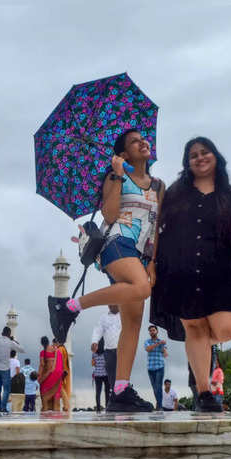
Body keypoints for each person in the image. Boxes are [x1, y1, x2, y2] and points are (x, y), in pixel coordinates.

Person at [49, 129, 164, 412]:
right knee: (142, 288)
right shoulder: (114, 178)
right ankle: (71, 306)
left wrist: (154, 261)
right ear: (124, 154)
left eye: (143, 139)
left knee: (134, 320)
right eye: (135, 142)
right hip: (116, 243)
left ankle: (121, 390)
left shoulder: (159, 185)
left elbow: (158, 225)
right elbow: (110, 215)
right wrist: (116, 175)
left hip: (140, 252)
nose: (143, 142)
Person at [151, 137, 231, 413]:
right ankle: (204, 392)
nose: (199, 158)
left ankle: (199, 358)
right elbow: (158, 230)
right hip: (180, 270)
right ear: (187, 163)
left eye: (204, 152)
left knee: (228, 327)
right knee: (195, 329)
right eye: (193, 155)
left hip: (220, 271)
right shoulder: (175, 192)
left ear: (215, 156)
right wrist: (152, 265)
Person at [0, 327, 25, 414]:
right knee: (6, 389)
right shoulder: (10, 342)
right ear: (9, 334)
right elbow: (22, 349)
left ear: (2, 333)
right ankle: (3, 408)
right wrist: (13, 340)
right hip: (5, 369)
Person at [91, 305, 121, 392]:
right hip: (108, 351)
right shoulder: (103, 317)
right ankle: (115, 395)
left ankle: (122, 394)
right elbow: (98, 330)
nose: (111, 305)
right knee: (111, 373)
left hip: (121, 350)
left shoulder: (124, 315)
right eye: (109, 303)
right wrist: (94, 341)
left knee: (121, 373)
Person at [145, 325, 168, 409]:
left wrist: (162, 346)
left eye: (153, 330)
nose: (152, 332)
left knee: (158, 386)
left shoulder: (161, 342)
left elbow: (165, 354)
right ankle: (159, 404)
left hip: (160, 367)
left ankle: (159, 405)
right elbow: (148, 349)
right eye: (150, 331)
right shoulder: (147, 341)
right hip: (150, 368)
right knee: (154, 388)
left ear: (157, 331)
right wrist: (158, 343)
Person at [38, 336, 63, 412]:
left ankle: (45, 414)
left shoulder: (43, 352)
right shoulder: (56, 351)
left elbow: (42, 365)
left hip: (48, 375)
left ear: (42, 344)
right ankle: (56, 418)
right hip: (57, 375)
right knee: (56, 395)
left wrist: (39, 376)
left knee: (44, 395)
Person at [92, 338, 109, 412]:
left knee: (98, 392)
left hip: (97, 375)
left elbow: (93, 364)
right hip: (106, 374)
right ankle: (107, 407)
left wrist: (97, 364)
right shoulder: (106, 353)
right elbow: (107, 364)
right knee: (107, 391)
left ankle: (98, 408)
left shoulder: (94, 354)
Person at [56, 339, 72, 412]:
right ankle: (65, 406)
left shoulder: (60, 349)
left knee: (61, 390)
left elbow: (59, 361)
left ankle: (66, 406)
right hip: (64, 371)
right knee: (62, 389)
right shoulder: (63, 349)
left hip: (60, 372)